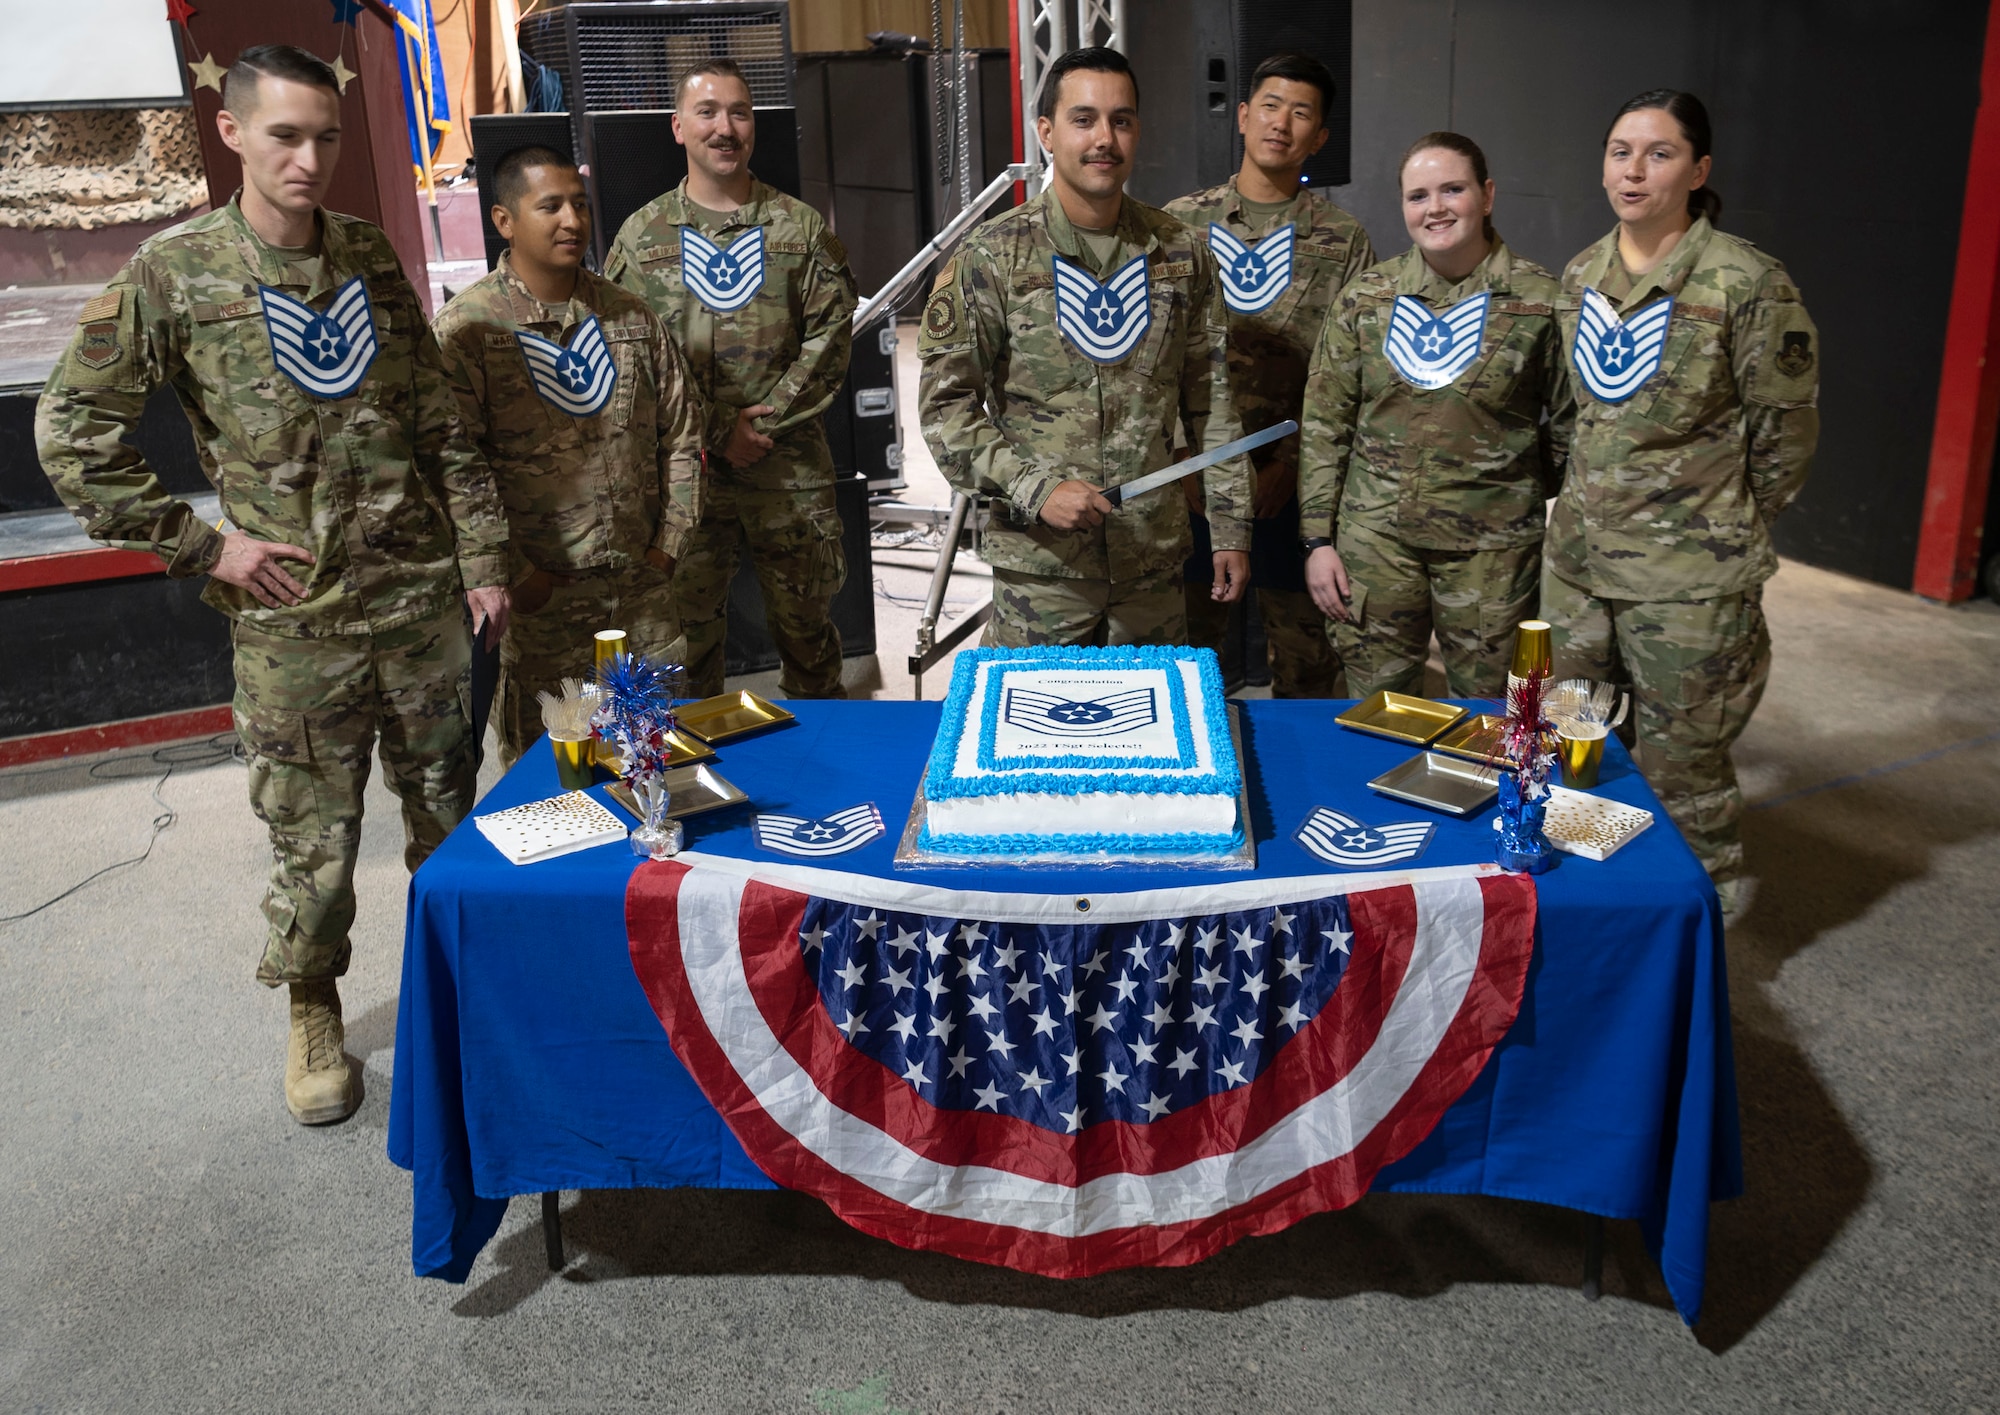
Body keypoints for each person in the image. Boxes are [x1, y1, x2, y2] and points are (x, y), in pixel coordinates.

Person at [34, 45, 511, 1124]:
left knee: (448, 811)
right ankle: (311, 1004)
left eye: (325, 136)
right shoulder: (178, 270)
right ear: (234, 132)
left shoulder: (368, 255)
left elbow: (437, 418)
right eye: (285, 135)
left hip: (417, 600)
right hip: (296, 620)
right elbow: (71, 431)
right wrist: (206, 547)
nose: (309, 158)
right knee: (317, 839)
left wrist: (480, 556)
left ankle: (461, 992)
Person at [1542, 90, 1819, 914]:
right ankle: (1603, 910)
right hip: (1581, 569)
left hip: (1689, 585)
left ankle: (1695, 933)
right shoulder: (1583, 275)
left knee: (1681, 767)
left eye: (1659, 153)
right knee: (1575, 744)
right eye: (1621, 150)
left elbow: (1784, 438)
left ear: (1698, 171)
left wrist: (1720, 533)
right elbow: (1585, 419)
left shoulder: (1748, 284)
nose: (1634, 169)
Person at [918, 46, 1251, 647]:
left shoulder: (1182, 253)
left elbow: (1214, 402)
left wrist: (1230, 527)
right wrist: (1035, 488)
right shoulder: (991, 256)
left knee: (1152, 730)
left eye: (1121, 120)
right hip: (1041, 569)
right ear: (1046, 132)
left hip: (1151, 558)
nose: (1105, 138)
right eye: (1083, 119)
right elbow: (946, 411)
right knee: (1035, 736)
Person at [433, 146, 703, 766]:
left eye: (579, 205)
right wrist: (518, 576)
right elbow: (450, 468)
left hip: (643, 592)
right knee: (556, 774)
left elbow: (684, 437)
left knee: (657, 758)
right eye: (549, 206)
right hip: (543, 604)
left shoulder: (630, 317)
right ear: (505, 221)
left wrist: (669, 548)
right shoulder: (468, 332)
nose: (572, 221)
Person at [603, 57, 857, 701]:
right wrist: (719, 431)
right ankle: (695, 789)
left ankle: (824, 777)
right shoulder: (641, 238)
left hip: (787, 468)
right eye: (707, 112)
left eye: (739, 113)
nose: (725, 127)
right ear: (678, 127)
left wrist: (762, 425)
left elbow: (829, 340)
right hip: (688, 478)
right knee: (683, 647)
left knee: (809, 637)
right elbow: (630, 364)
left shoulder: (800, 230)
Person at [1299, 132, 1569, 698]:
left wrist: (1499, 486)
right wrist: (1317, 541)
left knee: (1492, 721)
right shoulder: (1367, 297)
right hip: (1376, 548)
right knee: (1375, 711)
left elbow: (1571, 430)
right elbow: (1327, 424)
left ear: (1487, 194)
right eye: (1417, 196)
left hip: (1491, 556)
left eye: (1453, 189)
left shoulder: (1541, 301)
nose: (1436, 208)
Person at [1164, 51, 1374, 697]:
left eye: (1302, 112)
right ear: (1245, 116)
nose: (1282, 123)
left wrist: (1289, 460)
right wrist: (1183, 456)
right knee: (1190, 665)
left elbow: (1351, 372)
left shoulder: (1343, 240)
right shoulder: (1179, 224)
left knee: (1308, 665)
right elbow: (1157, 356)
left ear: (1320, 137)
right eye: (1272, 106)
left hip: (1295, 484)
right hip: (1195, 479)